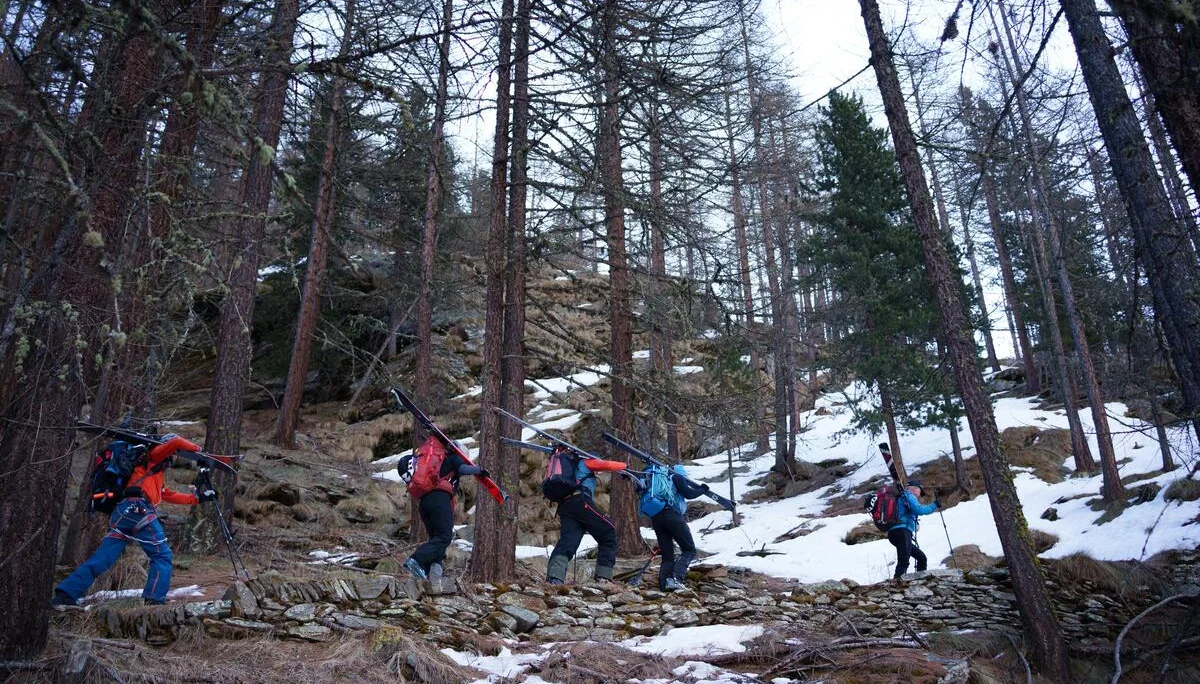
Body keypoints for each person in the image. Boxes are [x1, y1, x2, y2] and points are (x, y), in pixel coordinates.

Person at [52, 436, 214, 607]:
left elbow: (167, 494)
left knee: (103, 558)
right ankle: (154, 599)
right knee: (162, 555)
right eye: (172, 456)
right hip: (137, 510)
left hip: (123, 514)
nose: (171, 459)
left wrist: (198, 498)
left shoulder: (154, 473)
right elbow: (176, 442)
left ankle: (65, 594)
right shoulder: (153, 456)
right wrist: (199, 450)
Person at [397, 437, 486, 580]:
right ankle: (416, 560)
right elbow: (462, 468)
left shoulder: (439, 463)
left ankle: (430, 575)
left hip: (425, 503)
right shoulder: (453, 459)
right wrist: (478, 470)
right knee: (444, 538)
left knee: (436, 540)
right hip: (439, 500)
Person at [636, 463, 708, 592]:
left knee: (667, 555)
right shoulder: (676, 477)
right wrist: (703, 489)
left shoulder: (656, 482)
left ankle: (664, 586)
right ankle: (675, 579)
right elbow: (689, 494)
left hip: (656, 519)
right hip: (672, 515)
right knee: (689, 550)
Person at [546, 457, 617, 585]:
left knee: (568, 542)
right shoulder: (587, 461)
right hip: (580, 501)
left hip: (566, 506)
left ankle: (555, 577)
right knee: (608, 531)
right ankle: (604, 577)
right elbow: (609, 464)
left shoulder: (574, 469)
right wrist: (626, 466)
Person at [888, 479, 938, 579]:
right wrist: (934, 505)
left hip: (894, 533)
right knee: (904, 560)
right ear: (915, 489)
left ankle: (920, 580)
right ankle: (897, 584)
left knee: (921, 558)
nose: (919, 495)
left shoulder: (901, 497)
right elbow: (919, 509)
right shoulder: (908, 495)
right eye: (920, 491)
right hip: (902, 531)